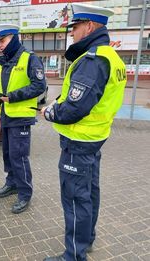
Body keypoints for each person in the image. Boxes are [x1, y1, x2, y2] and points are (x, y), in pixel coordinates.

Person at [41, 3, 127, 261]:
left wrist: (51, 112)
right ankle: (86, 239)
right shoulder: (110, 56)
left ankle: (74, 255)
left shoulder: (93, 59)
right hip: (94, 138)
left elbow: (75, 108)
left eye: (75, 27)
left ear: (89, 26)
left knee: (76, 200)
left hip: (78, 140)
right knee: (89, 192)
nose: (72, 33)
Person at [0, 24, 46, 214]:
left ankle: (25, 193)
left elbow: (39, 86)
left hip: (21, 117)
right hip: (6, 115)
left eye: (2, 41)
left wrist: (12, 97)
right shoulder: (3, 61)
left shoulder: (29, 58)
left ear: (14, 39)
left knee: (19, 156)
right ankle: (12, 183)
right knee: (8, 154)